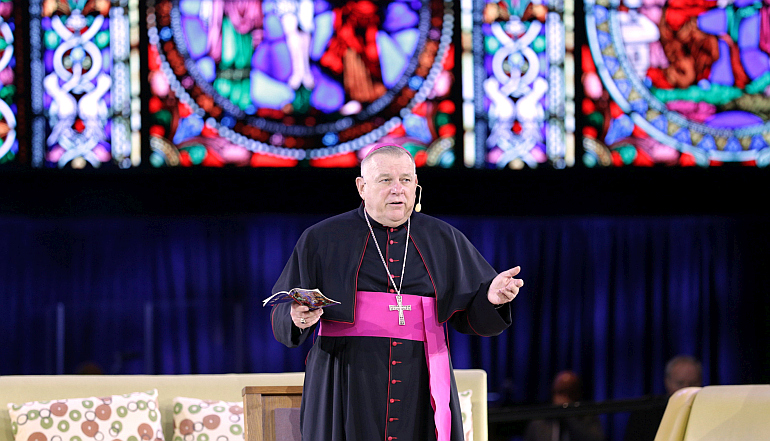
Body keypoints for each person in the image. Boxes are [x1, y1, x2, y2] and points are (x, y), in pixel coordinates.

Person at [270, 144, 524, 441]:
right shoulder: (321, 238)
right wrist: (298, 316)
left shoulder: (444, 238)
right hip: (345, 378)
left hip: (419, 376)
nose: (397, 189)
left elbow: (470, 314)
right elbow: (282, 311)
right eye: (385, 180)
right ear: (362, 187)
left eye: (406, 180)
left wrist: (492, 299)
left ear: (417, 185)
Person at [623, 355, 703, 441]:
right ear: (667, 382)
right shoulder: (645, 414)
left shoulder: (706, 413)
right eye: (680, 383)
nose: (686, 389)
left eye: (692, 384)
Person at [524, 370, 606, 441]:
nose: (563, 398)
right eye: (560, 392)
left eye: (569, 393)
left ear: (577, 394)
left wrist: (568, 413)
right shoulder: (539, 421)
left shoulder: (587, 417)